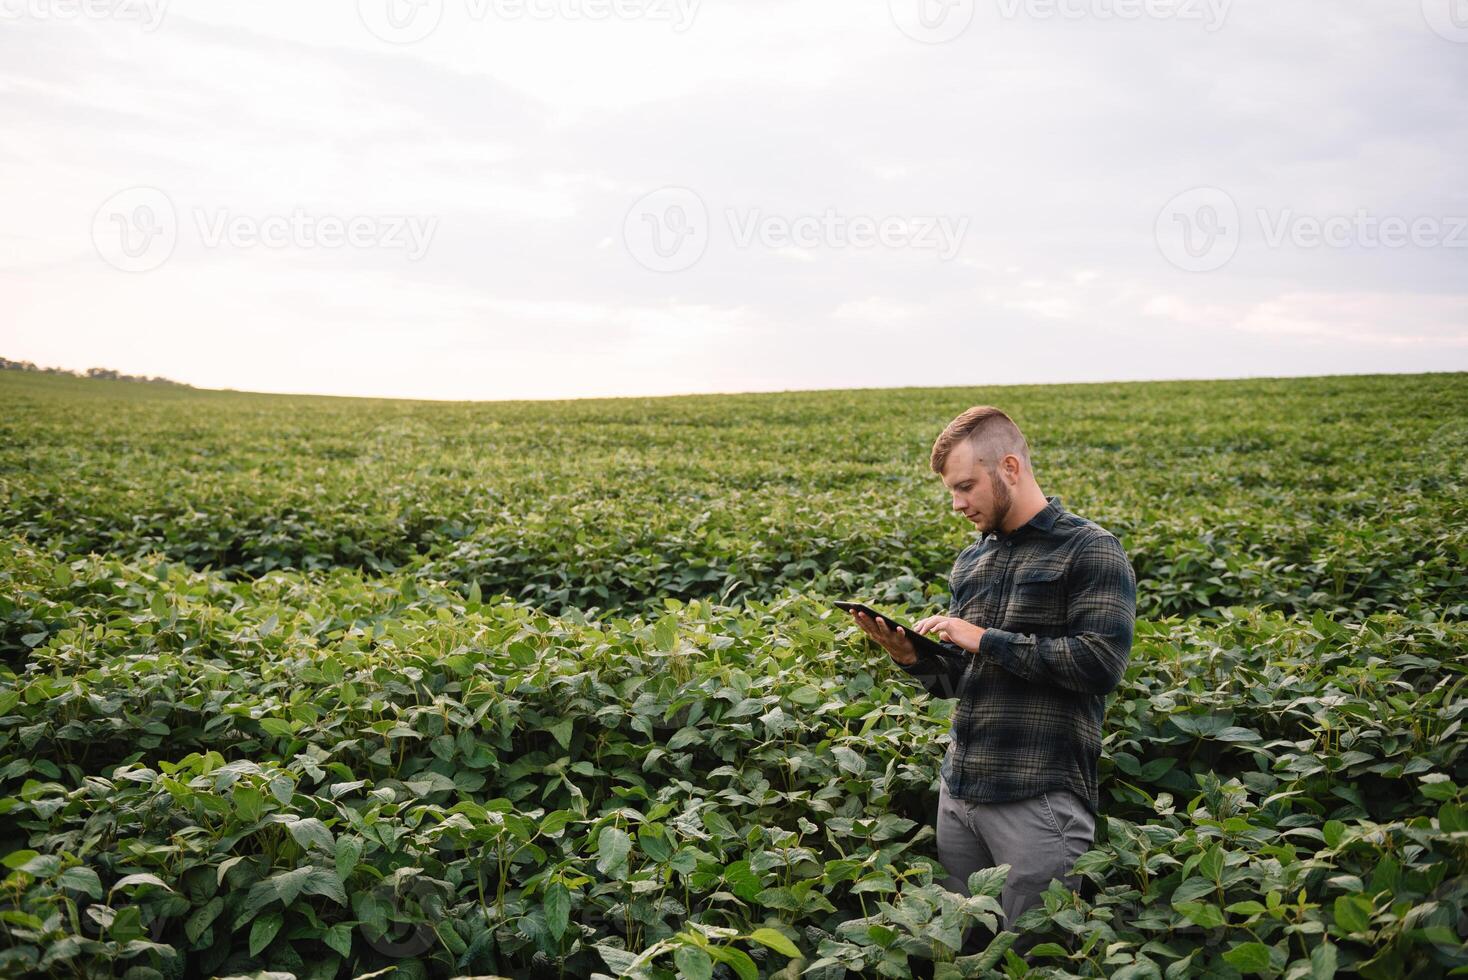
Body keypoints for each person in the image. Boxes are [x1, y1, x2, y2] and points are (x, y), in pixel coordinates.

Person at [845, 405, 1136, 956]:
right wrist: (913, 657)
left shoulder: (1092, 548)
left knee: (1034, 956)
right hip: (960, 792)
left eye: (965, 486)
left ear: (1008, 466)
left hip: (1037, 794)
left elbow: (1100, 664)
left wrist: (983, 637)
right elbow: (961, 682)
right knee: (964, 952)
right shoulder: (971, 562)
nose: (956, 504)